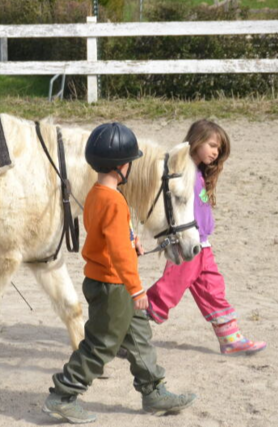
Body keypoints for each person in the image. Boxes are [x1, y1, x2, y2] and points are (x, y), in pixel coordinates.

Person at [42, 122, 197, 424]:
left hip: (112, 281)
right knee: (101, 344)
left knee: (139, 337)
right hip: (114, 286)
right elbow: (118, 252)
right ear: (121, 166)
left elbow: (105, 234)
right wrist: (137, 288)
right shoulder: (113, 201)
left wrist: (132, 240)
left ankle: (153, 391)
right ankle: (62, 395)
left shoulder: (96, 194)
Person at [145, 120, 267, 356]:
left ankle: (231, 339)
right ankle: (126, 331)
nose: (215, 152)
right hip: (188, 245)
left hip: (203, 244)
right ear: (197, 140)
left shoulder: (199, 172)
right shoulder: (181, 171)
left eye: (218, 149)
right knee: (167, 292)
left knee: (213, 289)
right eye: (212, 145)